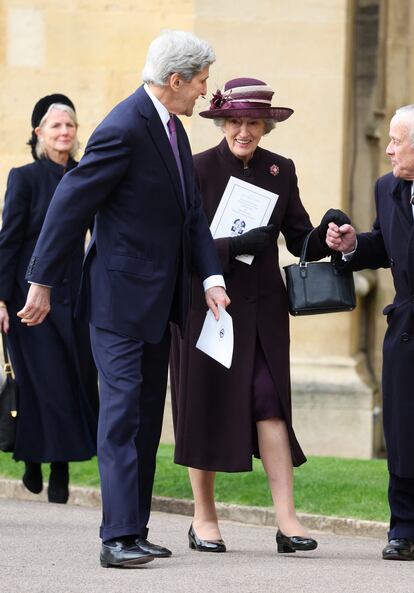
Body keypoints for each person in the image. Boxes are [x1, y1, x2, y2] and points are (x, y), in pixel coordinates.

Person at [17, 31, 230, 568]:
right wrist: (40, 279)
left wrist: (210, 279)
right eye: (202, 81)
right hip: (116, 302)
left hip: (159, 304)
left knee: (143, 417)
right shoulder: (123, 126)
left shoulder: (173, 131)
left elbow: (191, 217)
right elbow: (71, 200)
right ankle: (116, 537)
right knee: (120, 417)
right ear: (176, 80)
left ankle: (134, 528)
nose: (206, 91)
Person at [170, 77, 349, 554]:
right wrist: (230, 248)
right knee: (203, 407)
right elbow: (179, 246)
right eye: (235, 121)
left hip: (265, 314)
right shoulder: (196, 169)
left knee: (270, 405)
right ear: (223, 122)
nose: (243, 131)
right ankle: (203, 519)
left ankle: (287, 521)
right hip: (208, 308)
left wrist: (325, 235)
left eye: (253, 122)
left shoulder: (280, 170)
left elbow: (298, 238)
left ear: (266, 126)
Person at [0, 94, 98, 504]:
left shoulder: (86, 176)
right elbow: (8, 241)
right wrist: (1, 299)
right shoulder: (24, 178)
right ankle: (37, 462)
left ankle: (59, 464)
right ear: (39, 132)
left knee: (73, 379)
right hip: (29, 301)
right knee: (43, 383)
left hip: (75, 298)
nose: (64, 132)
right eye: (56, 125)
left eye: (70, 125)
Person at [327, 104, 414, 561]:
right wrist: (352, 244)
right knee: (401, 429)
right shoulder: (387, 188)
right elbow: (383, 242)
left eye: (397, 141)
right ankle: (403, 530)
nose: (389, 150)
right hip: (406, 329)